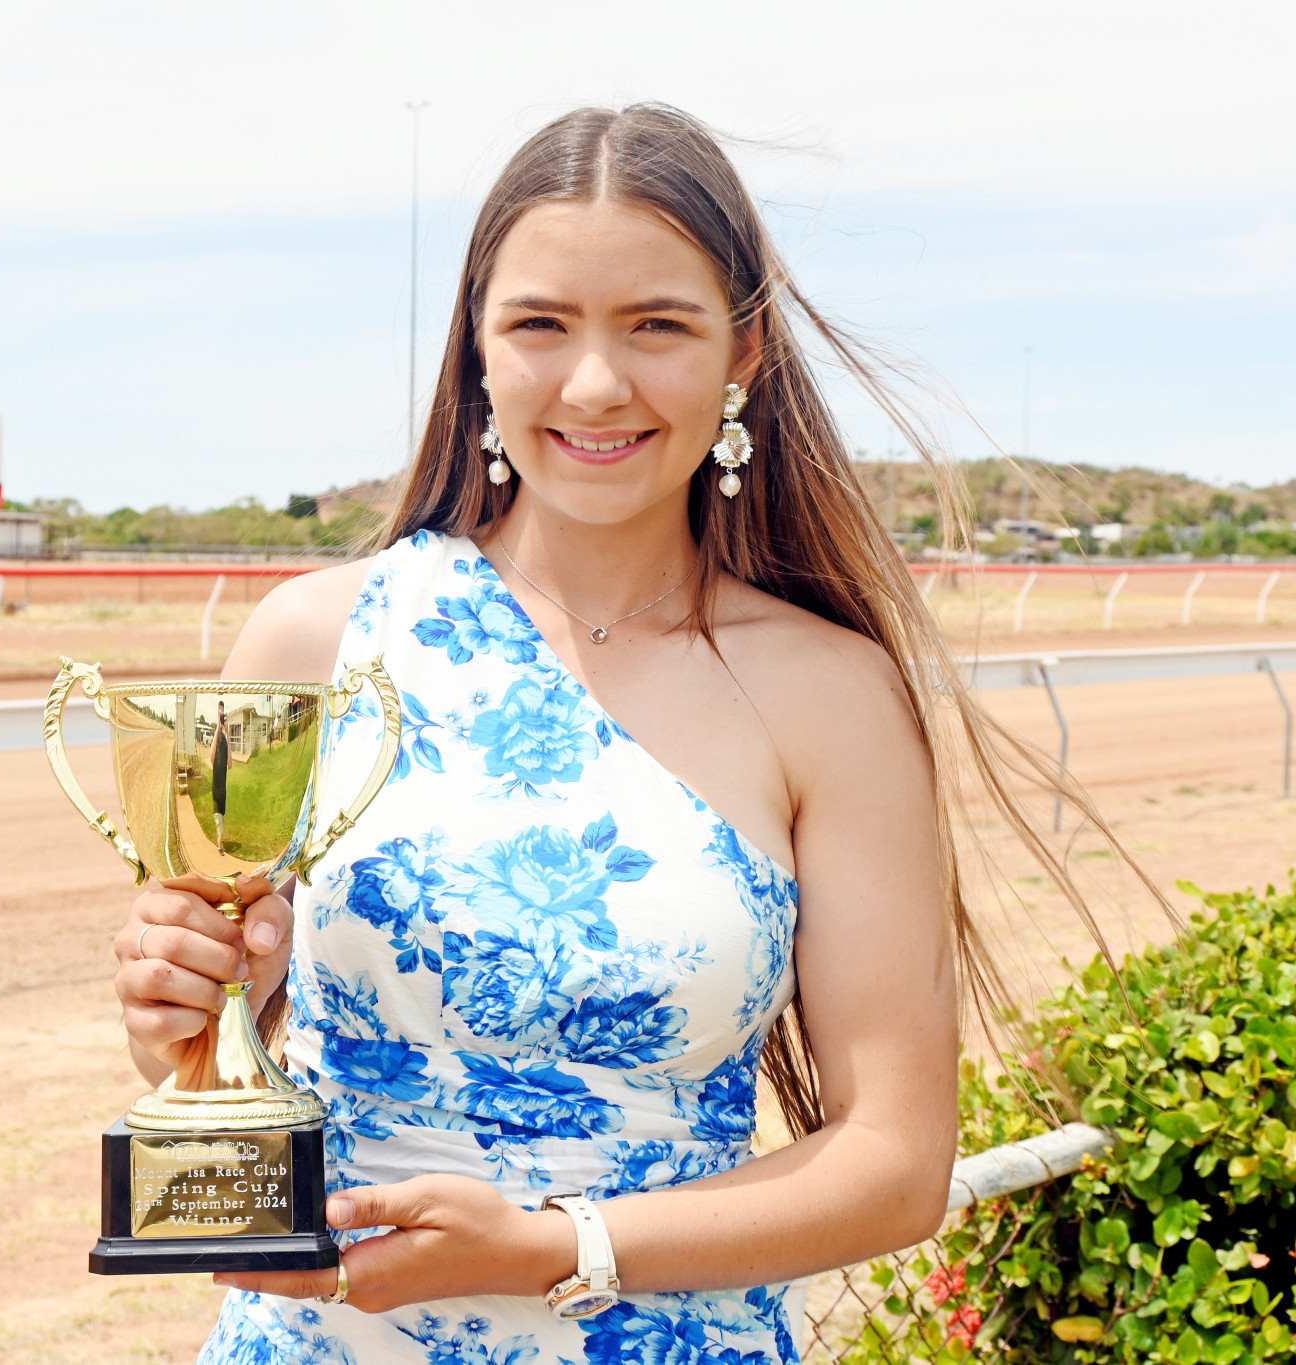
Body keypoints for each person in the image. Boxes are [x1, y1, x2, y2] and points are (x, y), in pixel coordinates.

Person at [114, 104, 1095, 1362]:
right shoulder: (307, 643)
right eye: (539, 324)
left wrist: (561, 1245)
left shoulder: (828, 695)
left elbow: (893, 1161)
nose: (593, 383)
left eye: (656, 326)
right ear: (474, 346)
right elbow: (204, 1070)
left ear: (742, 353)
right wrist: (177, 1014)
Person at [212, 700, 232, 851]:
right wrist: (218, 728)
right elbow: (211, 758)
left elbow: (230, 764)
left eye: (223, 713)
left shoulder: (225, 739)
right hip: (216, 785)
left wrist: (228, 731)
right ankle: (220, 844)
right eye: (220, 713)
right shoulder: (217, 737)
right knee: (218, 813)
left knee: (221, 813)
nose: (221, 716)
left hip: (223, 786)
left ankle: (220, 840)